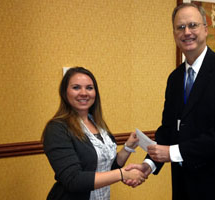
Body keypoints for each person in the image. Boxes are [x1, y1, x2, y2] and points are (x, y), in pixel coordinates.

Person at [125, 3, 215, 200]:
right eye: (180, 27)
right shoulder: (174, 78)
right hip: (184, 186)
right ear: (174, 34)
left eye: (193, 25)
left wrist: (173, 152)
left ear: (206, 29)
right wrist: (148, 165)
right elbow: (168, 130)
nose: (187, 32)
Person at [41, 67, 146, 200]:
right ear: (64, 92)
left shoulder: (98, 125)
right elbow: (73, 180)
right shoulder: (57, 129)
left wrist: (128, 147)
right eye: (76, 87)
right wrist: (122, 174)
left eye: (89, 88)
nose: (84, 93)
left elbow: (106, 168)